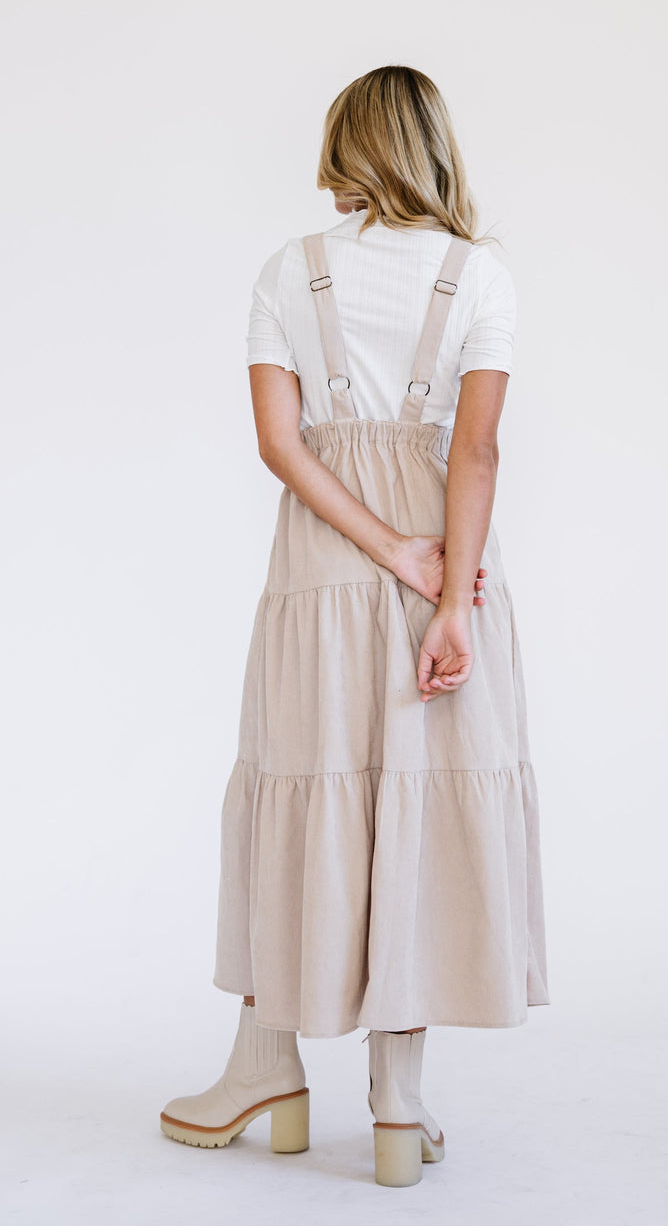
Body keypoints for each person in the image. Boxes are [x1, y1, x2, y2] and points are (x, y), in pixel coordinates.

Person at [159, 65, 550, 1188]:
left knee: (302, 792)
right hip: (445, 564)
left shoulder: (290, 269)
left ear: (349, 145)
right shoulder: (480, 275)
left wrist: (382, 550)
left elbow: (281, 444)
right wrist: (447, 594)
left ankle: (266, 1064)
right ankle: (396, 1103)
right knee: (410, 811)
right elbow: (475, 449)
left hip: (324, 572)